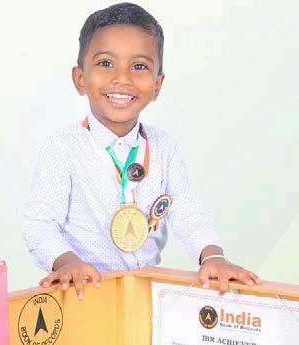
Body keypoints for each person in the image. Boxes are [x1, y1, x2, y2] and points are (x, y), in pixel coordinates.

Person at [22, 2, 260, 299]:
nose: (122, 78)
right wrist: (67, 262)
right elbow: (39, 223)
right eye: (106, 63)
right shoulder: (63, 147)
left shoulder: (164, 149)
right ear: (80, 79)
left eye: (139, 66)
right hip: (82, 293)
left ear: (157, 85)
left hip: (145, 296)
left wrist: (212, 256)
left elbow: (187, 211)